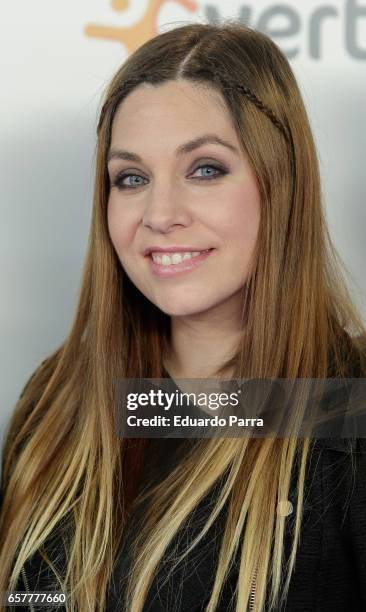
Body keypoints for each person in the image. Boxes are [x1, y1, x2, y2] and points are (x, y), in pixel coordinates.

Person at [1, 21, 366, 612]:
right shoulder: (56, 400)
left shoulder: (348, 407)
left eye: (205, 169)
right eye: (132, 178)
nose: (159, 213)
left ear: (283, 184)